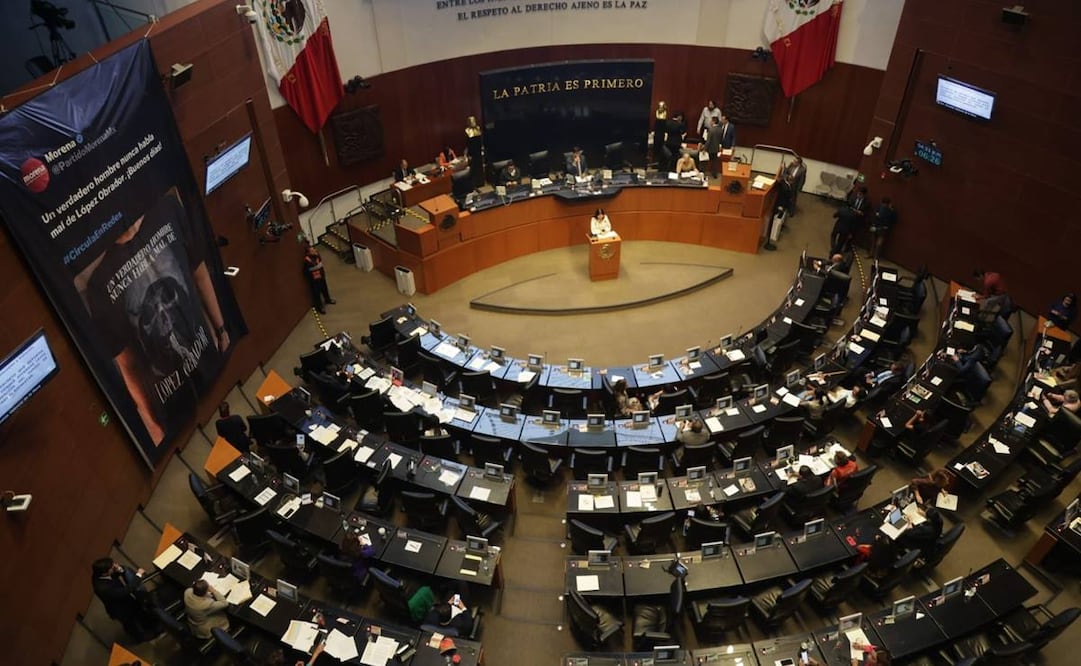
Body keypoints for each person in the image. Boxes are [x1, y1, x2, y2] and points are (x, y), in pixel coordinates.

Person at [92, 558, 159, 642]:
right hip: (120, 609)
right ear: (105, 572)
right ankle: (141, 637)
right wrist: (138, 575)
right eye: (112, 567)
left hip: (126, 601)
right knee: (131, 624)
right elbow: (125, 591)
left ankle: (151, 625)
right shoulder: (103, 588)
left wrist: (120, 569)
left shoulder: (100, 574)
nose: (115, 566)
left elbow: (117, 573)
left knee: (139, 613)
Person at [302, 243, 335, 314]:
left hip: (321, 276)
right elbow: (306, 272)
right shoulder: (307, 261)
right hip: (314, 280)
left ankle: (327, 299)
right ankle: (319, 307)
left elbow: (320, 265)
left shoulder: (317, 256)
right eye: (312, 250)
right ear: (308, 253)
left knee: (324, 289)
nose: (314, 251)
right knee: (316, 293)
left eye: (314, 249)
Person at [652, 101, 668, 167]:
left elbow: (663, 118)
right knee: (656, 148)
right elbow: (658, 117)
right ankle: (654, 162)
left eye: (662, 106)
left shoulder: (665, 112)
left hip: (661, 133)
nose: (660, 107)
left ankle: (660, 162)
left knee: (661, 148)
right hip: (657, 133)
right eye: (660, 106)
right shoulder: (657, 112)